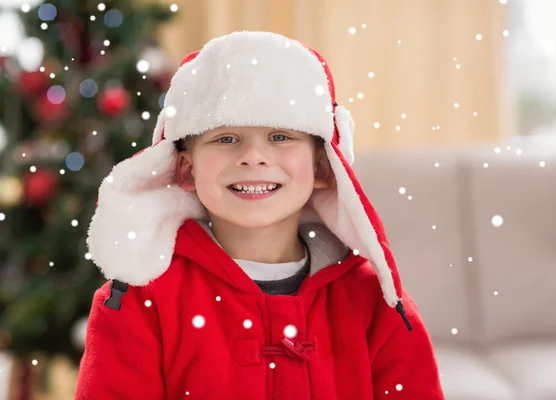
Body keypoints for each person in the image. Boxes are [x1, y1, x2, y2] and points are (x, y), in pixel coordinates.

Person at [75, 31, 445, 399]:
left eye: (280, 137)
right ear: (186, 169)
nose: (253, 156)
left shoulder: (373, 304)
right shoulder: (141, 302)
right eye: (226, 138)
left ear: (321, 165)